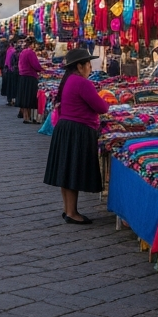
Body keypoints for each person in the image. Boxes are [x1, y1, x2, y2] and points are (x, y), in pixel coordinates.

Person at [44, 47, 110, 224]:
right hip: (77, 130)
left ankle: (68, 209)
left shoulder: (69, 81)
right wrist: (106, 100)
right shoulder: (82, 83)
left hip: (66, 128)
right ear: (80, 66)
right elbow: (101, 107)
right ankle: (72, 213)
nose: (90, 67)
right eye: (88, 64)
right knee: (72, 171)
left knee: (65, 173)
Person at [16, 38, 43, 124]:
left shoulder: (23, 52)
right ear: (32, 44)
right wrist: (42, 69)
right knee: (29, 97)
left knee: (24, 97)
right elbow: (35, 65)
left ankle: (26, 117)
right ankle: (28, 117)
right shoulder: (30, 52)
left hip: (23, 76)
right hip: (30, 77)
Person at [1, 39, 19, 106]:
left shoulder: (7, 50)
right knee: (13, 86)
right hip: (12, 70)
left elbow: (6, 61)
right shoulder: (12, 51)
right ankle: (13, 100)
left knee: (9, 86)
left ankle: (9, 100)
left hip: (7, 70)